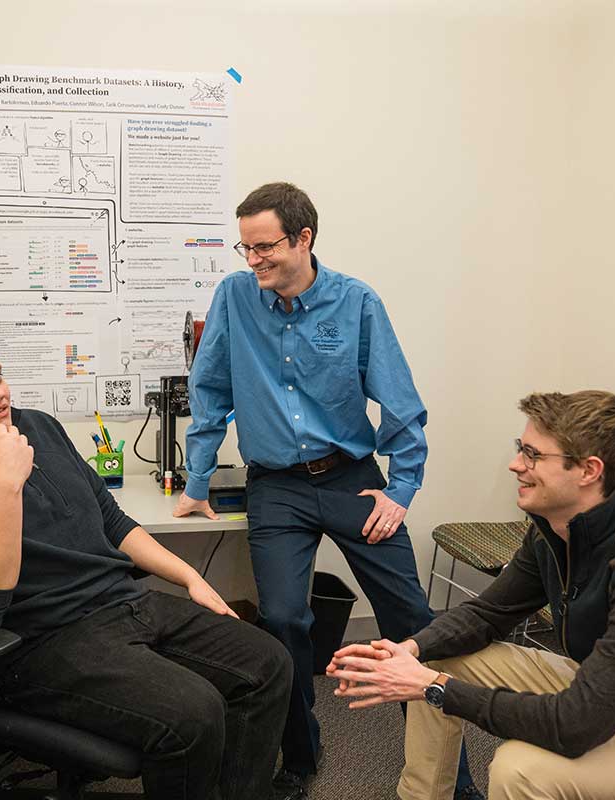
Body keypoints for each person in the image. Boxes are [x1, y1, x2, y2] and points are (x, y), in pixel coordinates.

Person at [0, 331, 292, 800]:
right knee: (193, 716)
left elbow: (112, 521)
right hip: (43, 639)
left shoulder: (39, 426)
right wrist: (5, 486)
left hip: (124, 602)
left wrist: (189, 576)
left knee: (268, 663)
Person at [173, 182, 478, 799]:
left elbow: (399, 402)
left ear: (303, 238)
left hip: (351, 481)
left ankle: (451, 779)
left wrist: (403, 488)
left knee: (413, 622)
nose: (253, 260)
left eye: (265, 247)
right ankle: (301, 755)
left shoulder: (356, 302)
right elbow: (209, 392)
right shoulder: (235, 296)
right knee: (283, 619)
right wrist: (198, 481)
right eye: (246, 248)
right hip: (276, 488)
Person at [329, 390, 615, 800]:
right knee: (435, 657)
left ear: (589, 471)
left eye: (533, 454)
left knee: (519, 769)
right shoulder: (556, 529)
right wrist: (409, 650)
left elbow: (576, 725)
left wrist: (435, 688)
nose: (515, 464)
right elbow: (488, 612)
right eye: (520, 448)